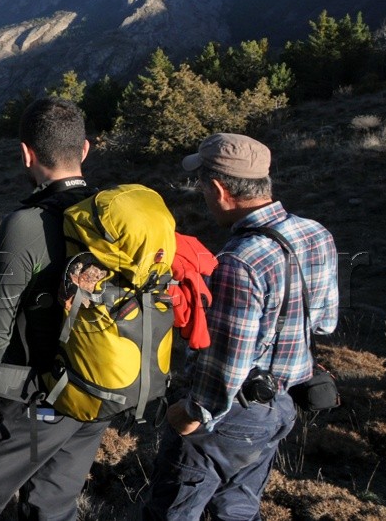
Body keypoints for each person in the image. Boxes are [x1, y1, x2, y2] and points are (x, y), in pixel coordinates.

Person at [143, 133, 339, 521]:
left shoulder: (238, 260)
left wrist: (193, 412)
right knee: (237, 510)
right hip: (279, 405)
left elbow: (227, 359)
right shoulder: (315, 233)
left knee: (172, 512)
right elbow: (325, 323)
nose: (201, 193)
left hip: (229, 414)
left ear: (219, 188)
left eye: (202, 184)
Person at [0, 97, 109, 521]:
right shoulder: (110, 217)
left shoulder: (27, 224)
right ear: (85, 149)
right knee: (52, 504)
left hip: (36, 395)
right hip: (96, 387)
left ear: (26, 154)